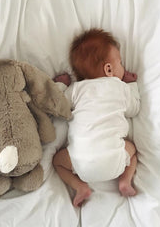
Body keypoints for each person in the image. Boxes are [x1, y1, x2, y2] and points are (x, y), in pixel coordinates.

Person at [52, 29, 140, 207]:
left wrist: (61, 85)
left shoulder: (77, 89)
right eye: (120, 63)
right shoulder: (120, 87)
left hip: (81, 164)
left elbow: (59, 105)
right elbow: (134, 109)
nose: (123, 68)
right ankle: (125, 180)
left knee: (57, 162)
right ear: (109, 69)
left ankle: (80, 187)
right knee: (132, 150)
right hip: (115, 160)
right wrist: (132, 86)